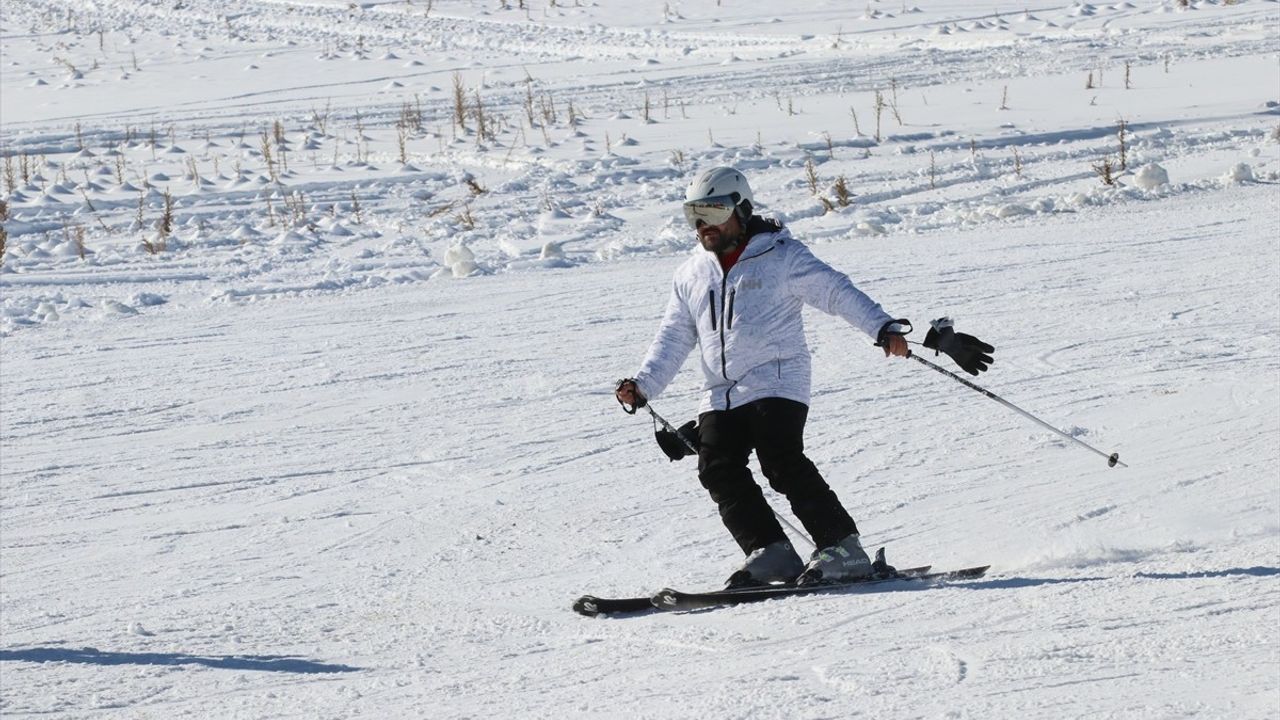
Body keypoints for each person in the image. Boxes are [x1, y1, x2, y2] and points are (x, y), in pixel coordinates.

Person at [614, 166, 992, 588]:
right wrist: (644, 383)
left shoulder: (781, 256)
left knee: (780, 459)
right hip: (719, 394)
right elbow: (674, 334)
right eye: (694, 216)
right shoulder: (690, 274)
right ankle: (770, 551)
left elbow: (836, 291)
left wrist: (882, 328)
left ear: (740, 208)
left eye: (713, 213)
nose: (703, 226)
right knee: (716, 468)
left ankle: (843, 547)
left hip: (777, 382)